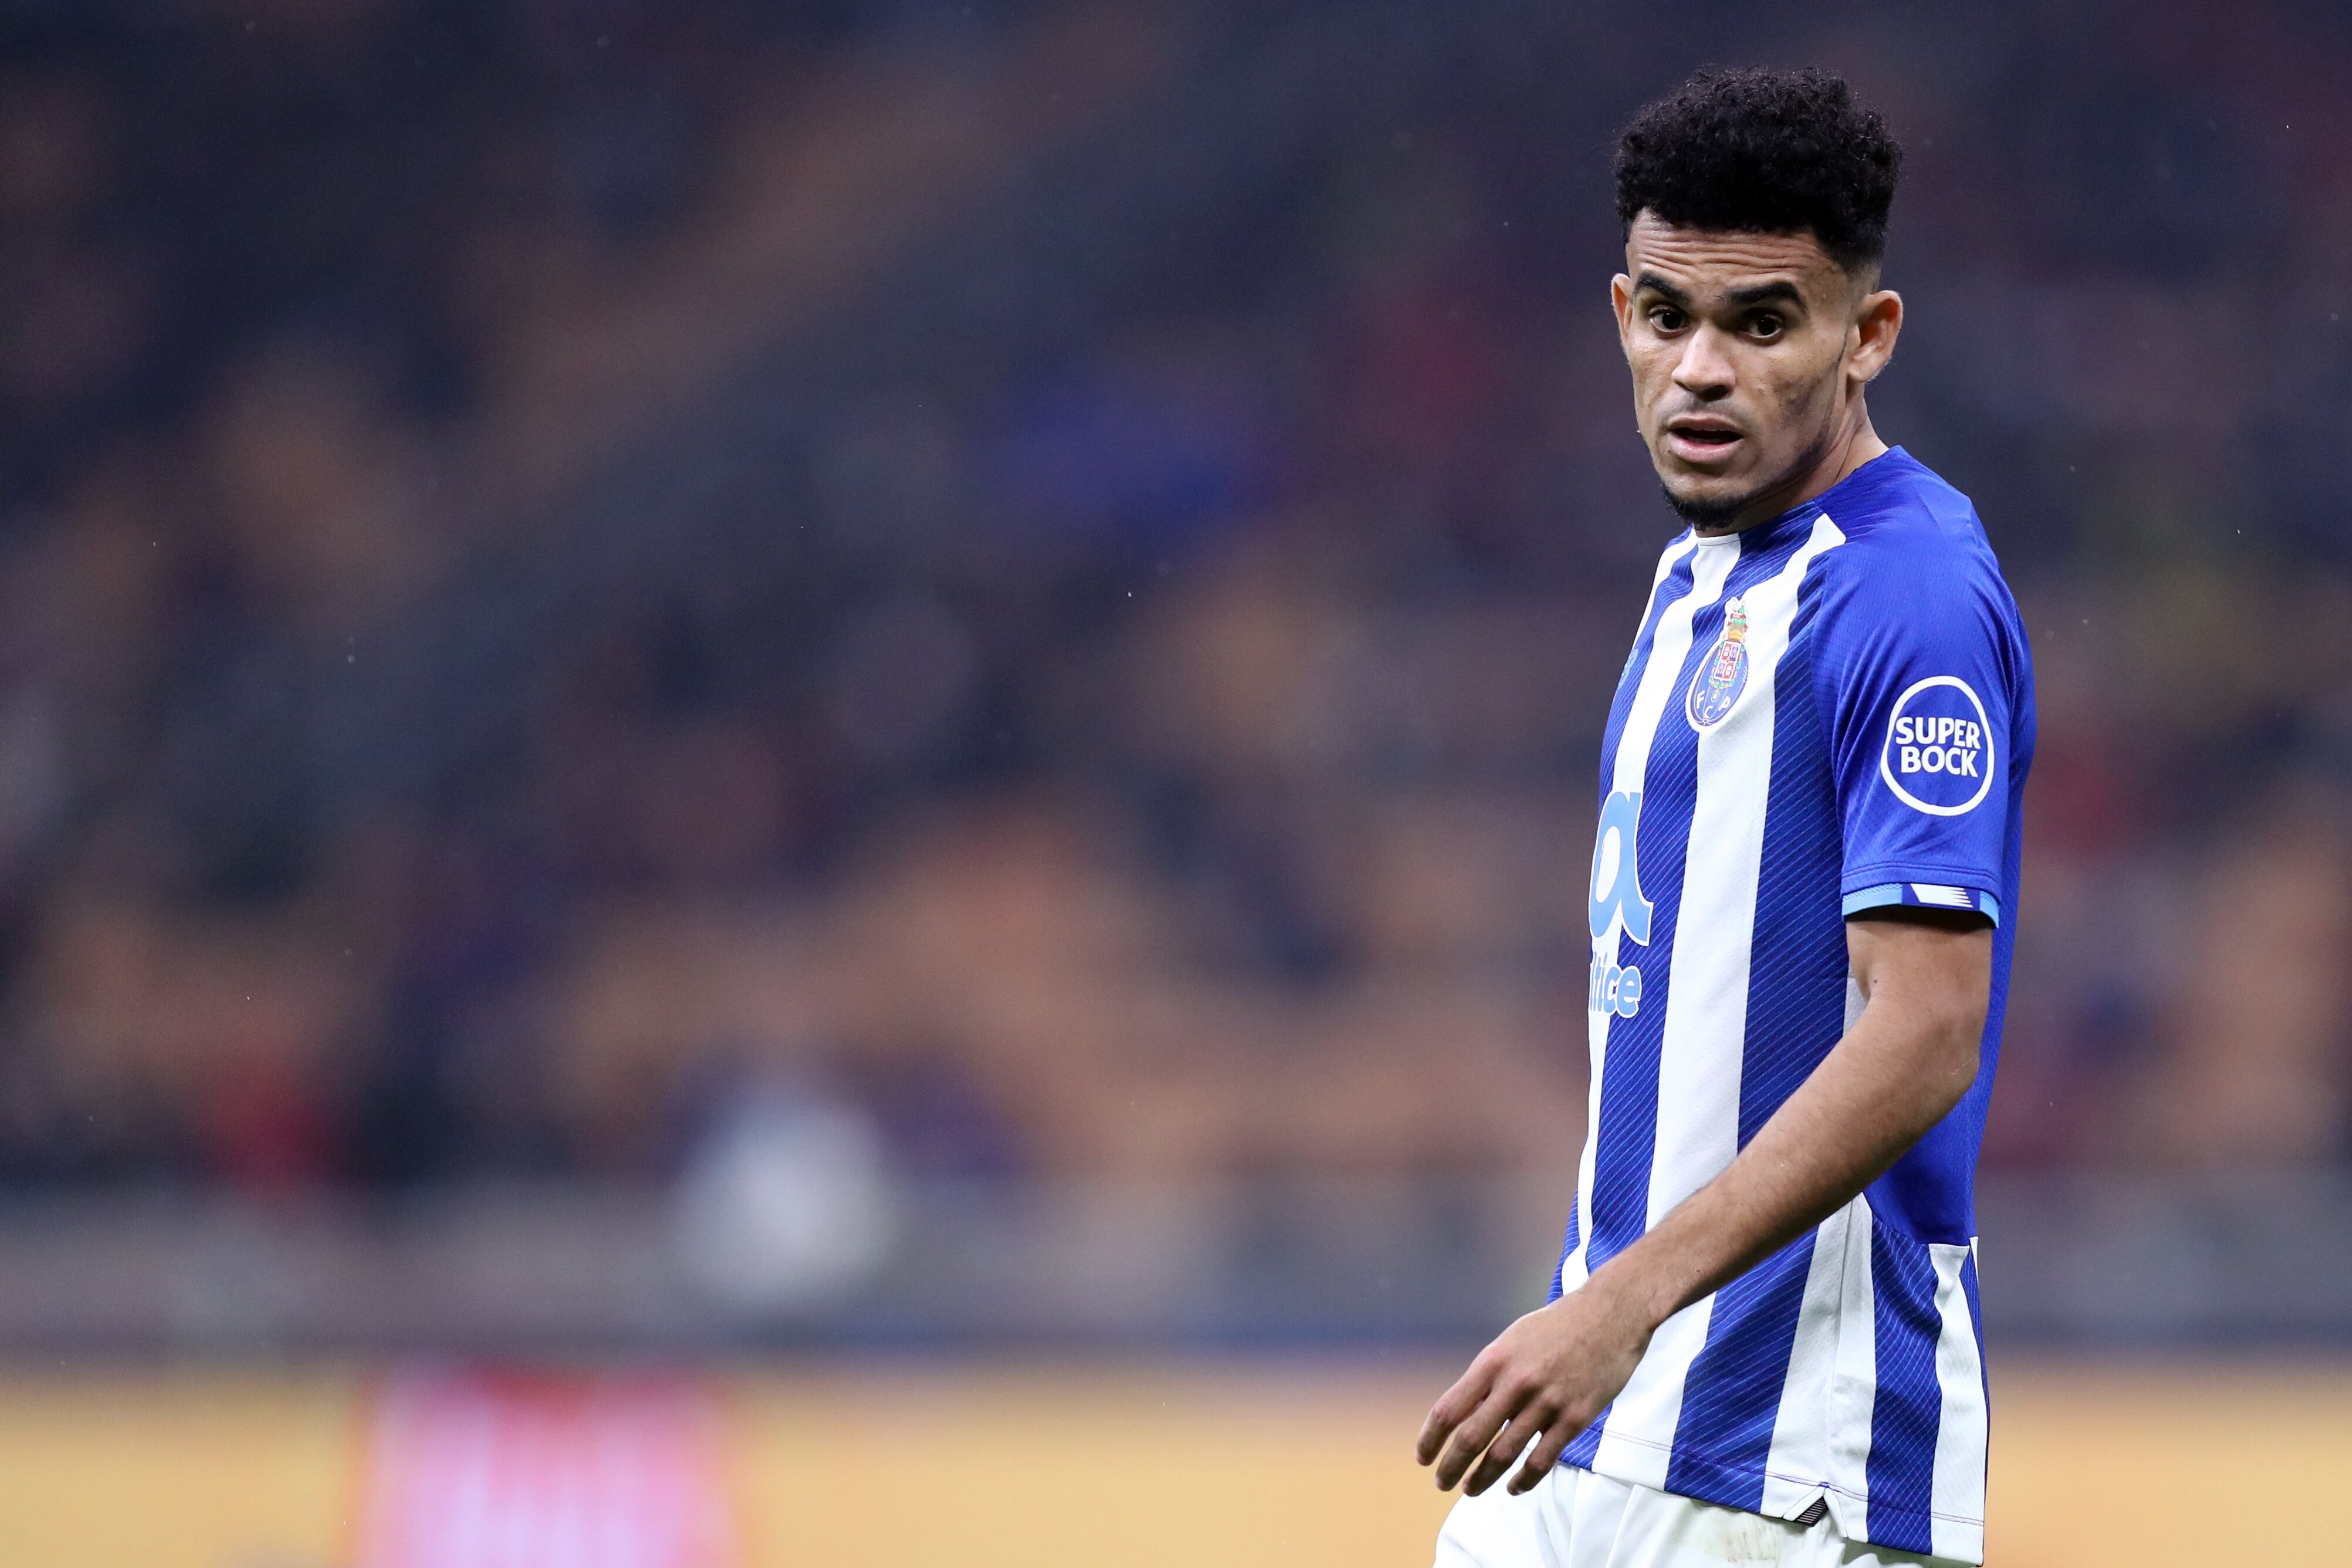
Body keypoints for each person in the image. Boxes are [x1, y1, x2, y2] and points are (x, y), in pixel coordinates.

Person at [1416, 68, 2034, 1568]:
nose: (1702, 369)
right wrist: (1602, 1300)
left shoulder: (1908, 594)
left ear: (1865, 337)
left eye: (1764, 323)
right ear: (1620, 309)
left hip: (1778, 1462)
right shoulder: (1707, 566)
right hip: (1598, 1421)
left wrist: (1624, 1301)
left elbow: (1927, 1025)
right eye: (1669, 318)